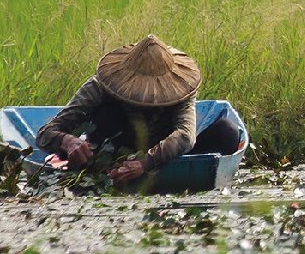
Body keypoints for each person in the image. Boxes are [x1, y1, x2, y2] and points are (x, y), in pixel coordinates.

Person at [36, 34, 205, 186]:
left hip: (161, 150)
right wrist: (68, 141)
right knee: (108, 115)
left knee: (227, 133)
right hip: (112, 148)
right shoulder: (99, 88)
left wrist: (144, 163)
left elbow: (185, 136)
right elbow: (45, 133)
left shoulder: (179, 91)